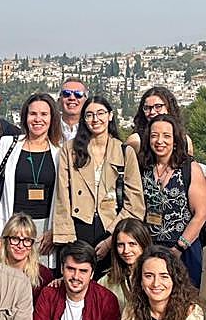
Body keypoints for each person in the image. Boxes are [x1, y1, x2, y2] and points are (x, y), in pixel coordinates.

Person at [0, 93, 61, 264]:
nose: (38, 119)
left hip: (45, 231)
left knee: (41, 280)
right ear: (25, 117)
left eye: (44, 114)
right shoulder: (9, 144)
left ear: (52, 118)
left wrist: (56, 230)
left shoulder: (60, 151)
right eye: (33, 114)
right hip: (11, 227)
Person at [53, 95, 144, 265]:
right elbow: (62, 197)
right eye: (89, 115)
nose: (95, 119)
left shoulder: (125, 152)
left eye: (101, 113)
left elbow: (134, 203)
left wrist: (111, 239)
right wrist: (67, 237)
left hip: (113, 226)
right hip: (78, 225)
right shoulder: (70, 150)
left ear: (110, 116)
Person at [139, 114, 206, 287]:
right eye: (154, 136)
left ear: (176, 140)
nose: (160, 141)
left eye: (166, 136)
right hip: (150, 249)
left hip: (184, 249)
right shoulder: (143, 168)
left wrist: (179, 248)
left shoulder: (189, 168)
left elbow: (201, 214)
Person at [125, 86, 195, 156]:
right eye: (147, 108)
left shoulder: (185, 141)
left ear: (169, 108)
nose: (152, 112)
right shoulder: (136, 141)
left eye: (158, 106)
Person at [0, 212, 54, 300]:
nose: (21, 246)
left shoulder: (43, 275)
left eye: (27, 240)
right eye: (15, 239)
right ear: (5, 240)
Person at [98, 218, 152, 307]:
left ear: (143, 243)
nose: (126, 250)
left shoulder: (159, 277)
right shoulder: (105, 282)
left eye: (132, 244)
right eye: (120, 245)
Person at [57, 78, 88, 143]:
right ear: (59, 100)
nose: (72, 98)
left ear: (86, 101)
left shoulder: (92, 129)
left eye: (78, 94)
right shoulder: (49, 128)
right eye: (66, 93)